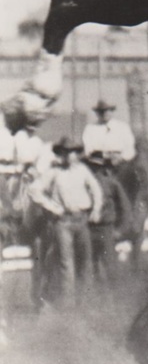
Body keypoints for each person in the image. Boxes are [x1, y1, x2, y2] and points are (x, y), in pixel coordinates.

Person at [28, 137, 103, 308]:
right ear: (61, 154)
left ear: (77, 154)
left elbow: (96, 189)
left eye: (73, 152)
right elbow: (33, 190)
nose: (70, 156)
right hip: (63, 223)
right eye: (65, 153)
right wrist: (53, 207)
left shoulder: (83, 170)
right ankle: (68, 305)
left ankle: (85, 303)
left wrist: (96, 209)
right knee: (66, 263)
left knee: (85, 260)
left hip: (82, 220)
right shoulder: (54, 172)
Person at [85, 152, 133, 287]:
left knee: (110, 266)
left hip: (106, 229)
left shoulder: (112, 184)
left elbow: (125, 208)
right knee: (90, 267)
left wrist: (120, 230)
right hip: (87, 229)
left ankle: (116, 299)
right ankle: (96, 299)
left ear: (103, 168)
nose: (95, 171)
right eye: (92, 167)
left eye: (98, 167)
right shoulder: (83, 184)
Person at [82, 99, 136, 165]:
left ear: (111, 111)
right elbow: (88, 149)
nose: (104, 113)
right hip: (98, 163)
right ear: (97, 113)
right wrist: (105, 156)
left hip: (120, 163)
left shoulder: (123, 127)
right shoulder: (90, 128)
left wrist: (121, 157)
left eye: (107, 110)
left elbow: (130, 149)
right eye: (101, 111)